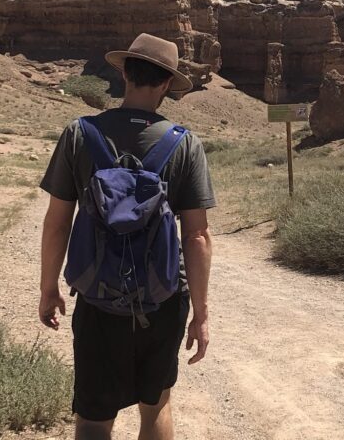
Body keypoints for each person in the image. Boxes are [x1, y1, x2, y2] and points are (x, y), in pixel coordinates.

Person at [38, 33, 215, 440]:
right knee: (156, 409)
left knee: (94, 418)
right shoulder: (184, 144)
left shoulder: (80, 133)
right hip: (164, 298)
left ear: (124, 73)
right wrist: (201, 313)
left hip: (98, 298)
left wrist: (49, 288)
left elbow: (57, 222)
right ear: (167, 84)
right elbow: (198, 236)